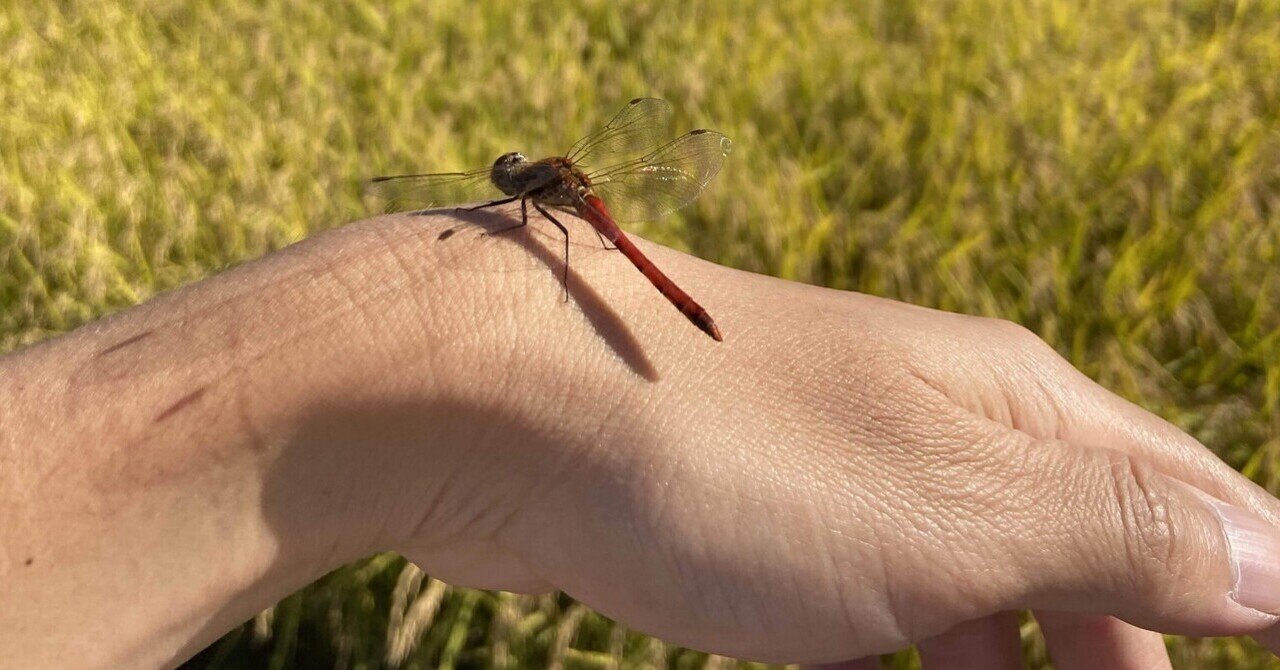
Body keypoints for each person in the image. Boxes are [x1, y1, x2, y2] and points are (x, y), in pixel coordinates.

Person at [2, 207, 1278, 669]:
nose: (512, 188)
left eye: (520, 182)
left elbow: (530, 246)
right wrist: (451, 324)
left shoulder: (550, 215)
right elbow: (501, 262)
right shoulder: (537, 215)